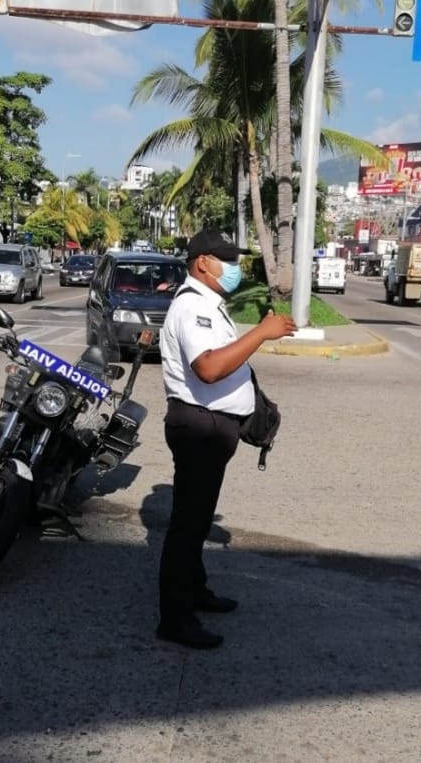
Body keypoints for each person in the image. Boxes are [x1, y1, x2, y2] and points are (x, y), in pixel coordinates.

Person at [156, 228, 297, 649]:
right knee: (186, 526)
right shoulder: (191, 307)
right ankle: (175, 618)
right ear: (202, 262)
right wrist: (261, 334)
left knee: (198, 522)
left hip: (213, 427)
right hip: (199, 426)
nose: (234, 268)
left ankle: (195, 592)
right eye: (227, 260)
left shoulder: (210, 305)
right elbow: (209, 368)